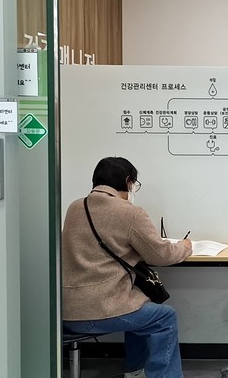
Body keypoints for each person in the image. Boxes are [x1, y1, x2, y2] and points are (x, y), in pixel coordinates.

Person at [62, 157, 192, 377]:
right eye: (134, 184)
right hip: (99, 311)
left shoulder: (75, 207)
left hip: (67, 310)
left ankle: (135, 371)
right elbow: (162, 255)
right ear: (128, 181)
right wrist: (185, 247)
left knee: (139, 301)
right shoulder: (130, 213)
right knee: (164, 317)